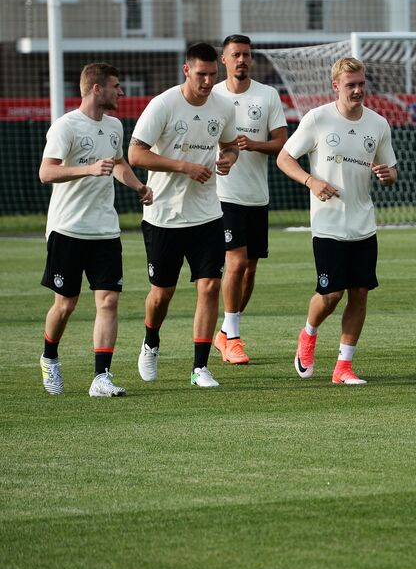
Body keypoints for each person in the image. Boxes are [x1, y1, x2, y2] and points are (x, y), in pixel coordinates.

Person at [277, 56, 398, 385]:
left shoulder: (378, 125)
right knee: (331, 295)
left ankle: (343, 366)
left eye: (361, 83)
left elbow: (390, 172)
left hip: (364, 224)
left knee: (359, 293)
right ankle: (309, 333)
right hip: (328, 224)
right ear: (336, 87)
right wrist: (310, 181)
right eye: (350, 85)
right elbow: (284, 157)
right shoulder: (318, 119)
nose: (358, 90)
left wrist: (388, 176)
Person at [38, 63, 153, 397]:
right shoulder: (66, 126)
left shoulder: (115, 126)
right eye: (116, 86)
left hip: (105, 230)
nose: (121, 92)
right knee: (66, 304)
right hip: (68, 229)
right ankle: (49, 357)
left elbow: (117, 163)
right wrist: (87, 169)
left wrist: (139, 188)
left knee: (109, 301)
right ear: (96, 89)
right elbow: (46, 172)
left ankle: (101, 377)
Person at [128, 42, 239, 389]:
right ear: (186, 70)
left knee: (209, 286)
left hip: (207, 214)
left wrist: (229, 158)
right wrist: (183, 167)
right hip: (163, 216)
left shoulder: (223, 106)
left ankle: (200, 368)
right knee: (162, 294)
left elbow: (232, 145)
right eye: (201, 74)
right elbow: (134, 154)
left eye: (212, 75)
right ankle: (150, 341)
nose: (207, 81)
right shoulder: (163, 104)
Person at [210, 34, 287, 365]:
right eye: (235, 55)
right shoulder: (211, 96)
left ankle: (225, 332)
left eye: (246, 55)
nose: (242, 59)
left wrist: (254, 145)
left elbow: (282, 142)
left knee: (250, 270)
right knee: (236, 263)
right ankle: (234, 337)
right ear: (223, 60)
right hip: (223, 195)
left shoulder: (267, 95)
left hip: (257, 195)